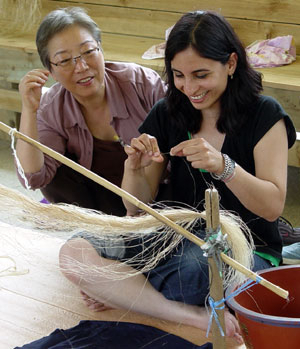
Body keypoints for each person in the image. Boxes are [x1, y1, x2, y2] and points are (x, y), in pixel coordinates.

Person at [59, 11, 296, 343]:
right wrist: (135, 169)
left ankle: (129, 292)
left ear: (230, 64)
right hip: (175, 237)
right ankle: (191, 314)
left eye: (201, 75)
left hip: (247, 247)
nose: (190, 88)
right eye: (179, 76)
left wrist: (223, 166)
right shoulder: (168, 111)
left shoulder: (265, 114)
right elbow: (135, 209)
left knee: (191, 274)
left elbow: (272, 207)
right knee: (75, 253)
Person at [16, 7, 167, 216]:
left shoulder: (143, 83)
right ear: (51, 70)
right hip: (97, 205)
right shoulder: (52, 106)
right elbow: (33, 177)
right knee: (55, 174)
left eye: (88, 51)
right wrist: (29, 110)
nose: (81, 67)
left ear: (101, 49)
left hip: (157, 198)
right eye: (65, 60)